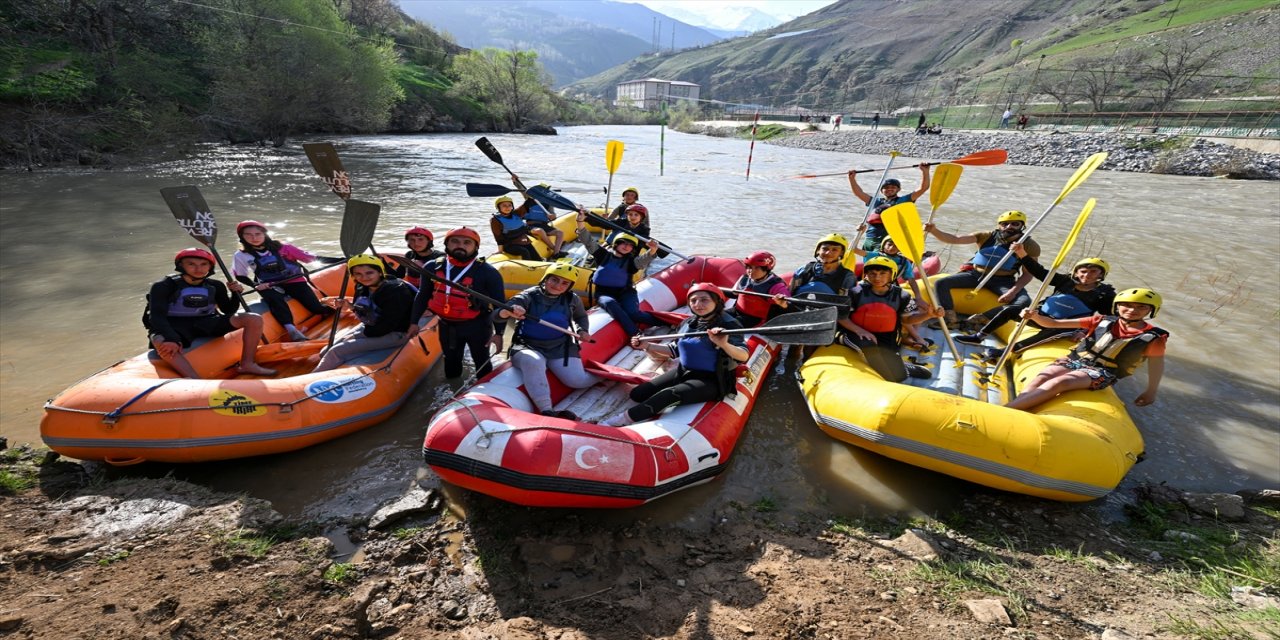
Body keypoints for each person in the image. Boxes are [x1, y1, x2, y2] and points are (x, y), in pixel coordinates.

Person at [602, 283, 750, 427]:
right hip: (684, 372)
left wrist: (724, 344)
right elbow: (675, 349)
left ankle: (611, 424)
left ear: (717, 302)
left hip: (713, 379)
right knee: (637, 394)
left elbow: (743, 356)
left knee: (668, 395)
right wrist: (647, 345)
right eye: (693, 300)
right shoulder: (689, 322)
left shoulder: (729, 325)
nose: (698, 304)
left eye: (704, 299)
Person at [1005, 288, 1168, 412]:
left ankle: (1007, 410)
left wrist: (1151, 391)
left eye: (1141, 307)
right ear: (1117, 306)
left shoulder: (1154, 337)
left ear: (1151, 310)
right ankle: (1018, 407)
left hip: (1103, 372)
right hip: (1074, 360)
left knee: (1061, 382)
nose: (1132, 310)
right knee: (1041, 378)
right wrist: (1034, 316)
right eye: (1126, 305)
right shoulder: (1100, 320)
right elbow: (1054, 324)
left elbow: (1156, 365)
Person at [956, 244, 1115, 359]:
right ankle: (979, 336)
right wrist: (1022, 254)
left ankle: (1006, 352)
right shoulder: (1065, 281)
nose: (1087, 275)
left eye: (1093, 272)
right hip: (1041, 316)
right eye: (1083, 271)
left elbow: (1108, 319)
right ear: (1077, 272)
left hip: (1066, 325)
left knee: (1052, 331)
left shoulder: (1104, 294)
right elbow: (1039, 272)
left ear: (1101, 275)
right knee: (1011, 310)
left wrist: (1085, 332)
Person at [147, 248, 276, 379]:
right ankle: (194, 379)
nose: (198, 269)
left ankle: (247, 363)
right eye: (191, 264)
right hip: (174, 324)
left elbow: (228, 310)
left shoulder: (215, 285)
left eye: (204, 264)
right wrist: (171, 338)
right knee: (160, 340)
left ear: (210, 266)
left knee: (253, 319)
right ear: (181, 266)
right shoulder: (163, 285)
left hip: (207, 321)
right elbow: (156, 316)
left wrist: (235, 294)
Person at [497, 263, 598, 420]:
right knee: (535, 361)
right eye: (554, 280)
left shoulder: (572, 299)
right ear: (545, 279)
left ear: (569, 286)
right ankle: (547, 410)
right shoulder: (527, 296)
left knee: (578, 381)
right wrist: (509, 310)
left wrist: (582, 330)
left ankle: (605, 378)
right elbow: (497, 315)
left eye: (564, 283)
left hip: (560, 346)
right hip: (527, 346)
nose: (558, 286)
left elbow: (581, 316)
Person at [408, 227, 507, 379]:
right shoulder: (432, 267)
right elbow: (422, 295)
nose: (460, 245)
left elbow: (500, 305)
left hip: (478, 326)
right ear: (447, 245)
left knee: (482, 362)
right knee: (451, 363)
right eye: (455, 241)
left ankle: (483, 396)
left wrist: (499, 333)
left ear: (476, 247)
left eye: (467, 242)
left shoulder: (488, 272)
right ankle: (452, 394)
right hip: (446, 325)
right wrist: (414, 322)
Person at [924, 210, 1041, 329]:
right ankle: (949, 319)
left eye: (1015, 224)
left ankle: (979, 319)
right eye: (1005, 224)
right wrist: (934, 231)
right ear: (999, 225)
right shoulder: (986, 236)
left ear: (1022, 226)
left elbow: (1028, 274)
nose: (1009, 227)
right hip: (975, 276)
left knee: (1024, 302)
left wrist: (1012, 292)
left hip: (1003, 281)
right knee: (941, 283)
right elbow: (956, 239)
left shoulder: (1029, 245)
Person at [837, 257, 941, 381]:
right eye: (872, 273)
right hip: (853, 334)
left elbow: (907, 320)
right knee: (868, 344)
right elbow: (841, 317)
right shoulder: (855, 293)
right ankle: (887, 374)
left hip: (886, 337)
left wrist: (928, 315)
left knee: (900, 376)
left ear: (892, 275)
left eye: (882, 273)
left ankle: (902, 368)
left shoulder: (902, 296)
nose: (877, 278)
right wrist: (860, 331)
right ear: (866, 275)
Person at [312, 255, 416, 372]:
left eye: (369, 273)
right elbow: (365, 310)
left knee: (336, 351)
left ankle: (309, 382)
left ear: (380, 272)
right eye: (358, 274)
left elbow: (387, 325)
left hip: (397, 333)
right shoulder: (361, 287)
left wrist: (357, 336)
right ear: (353, 276)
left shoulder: (396, 291)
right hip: (373, 327)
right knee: (325, 351)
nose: (364, 277)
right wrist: (350, 306)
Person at [231, 220, 331, 342]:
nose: (254, 238)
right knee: (273, 298)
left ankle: (331, 310)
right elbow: (240, 276)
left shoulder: (284, 248)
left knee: (316, 308)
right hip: (268, 284)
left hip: (294, 280)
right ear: (242, 237)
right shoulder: (241, 255)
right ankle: (292, 330)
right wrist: (256, 285)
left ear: (265, 234)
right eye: (248, 234)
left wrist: (340, 259)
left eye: (258, 234)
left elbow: (310, 258)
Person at [577, 211, 661, 337]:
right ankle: (635, 333)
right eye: (624, 243)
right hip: (604, 293)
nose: (627, 247)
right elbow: (588, 241)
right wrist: (580, 222)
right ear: (616, 244)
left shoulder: (632, 262)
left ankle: (665, 323)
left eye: (630, 246)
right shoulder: (603, 255)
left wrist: (653, 249)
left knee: (634, 314)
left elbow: (645, 259)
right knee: (610, 303)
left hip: (626, 293)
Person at [852, 236, 930, 349]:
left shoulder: (904, 262)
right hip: (870, 286)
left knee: (919, 307)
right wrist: (860, 232)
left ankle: (912, 336)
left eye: (896, 245)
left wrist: (918, 297)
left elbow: (911, 280)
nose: (892, 247)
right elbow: (854, 250)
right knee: (896, 310)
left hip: (891, 289)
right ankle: (916, 337)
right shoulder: (874, 255)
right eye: (889, 244)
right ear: (883, 245)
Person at [848, 164, 931, 251]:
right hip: (869, 239)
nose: (889, 189)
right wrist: (852, 179)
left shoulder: (903, 200)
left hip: (887, 242)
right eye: (886, 187)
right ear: (881, 190)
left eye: (893, 187)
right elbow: (859, 193)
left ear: (898, 189)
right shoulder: (876, 202)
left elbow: (923, 188)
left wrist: (925, 172)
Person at [726, 251, 789, 328]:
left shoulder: (777, 285)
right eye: (749, 267)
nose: (751, 271)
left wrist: (782, 302)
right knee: (715, 317)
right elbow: (733, 293)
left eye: (756, 268)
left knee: (728, 324)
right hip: (737, 311)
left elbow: (787, 304)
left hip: (755, 318)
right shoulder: (744, 278)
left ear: (766, 269)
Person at [790, 233, 859, 297]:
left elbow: (845, 303)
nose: (828, 253)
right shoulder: (804, 270)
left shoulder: (847, 277)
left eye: (834, 250)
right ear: (818, 250)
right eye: (825, 249)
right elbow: (791, 294)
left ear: (841, 253)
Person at [518, 183, 566, 258]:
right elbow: (522, 189)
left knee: (560, 233)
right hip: (530, 226)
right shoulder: (529, 198)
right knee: (540, 231)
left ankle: (556, 253)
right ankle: (554, 248)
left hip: (543, 225)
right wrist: (515, 181)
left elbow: (553, 216)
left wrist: (552, 216)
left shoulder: (549, 203)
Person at [489, 195, 540, 261]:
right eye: (504, 205)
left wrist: (532, 197)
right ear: (498, 207)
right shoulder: (495, 220)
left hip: (523, 241)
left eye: (509, 205)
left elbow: (526, 205)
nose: (507, 207)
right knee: (524, 251)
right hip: (509, 245)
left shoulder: (516, 214)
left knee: (535, 254)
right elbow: (498, 236)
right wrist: (500, 250)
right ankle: (527, 268)